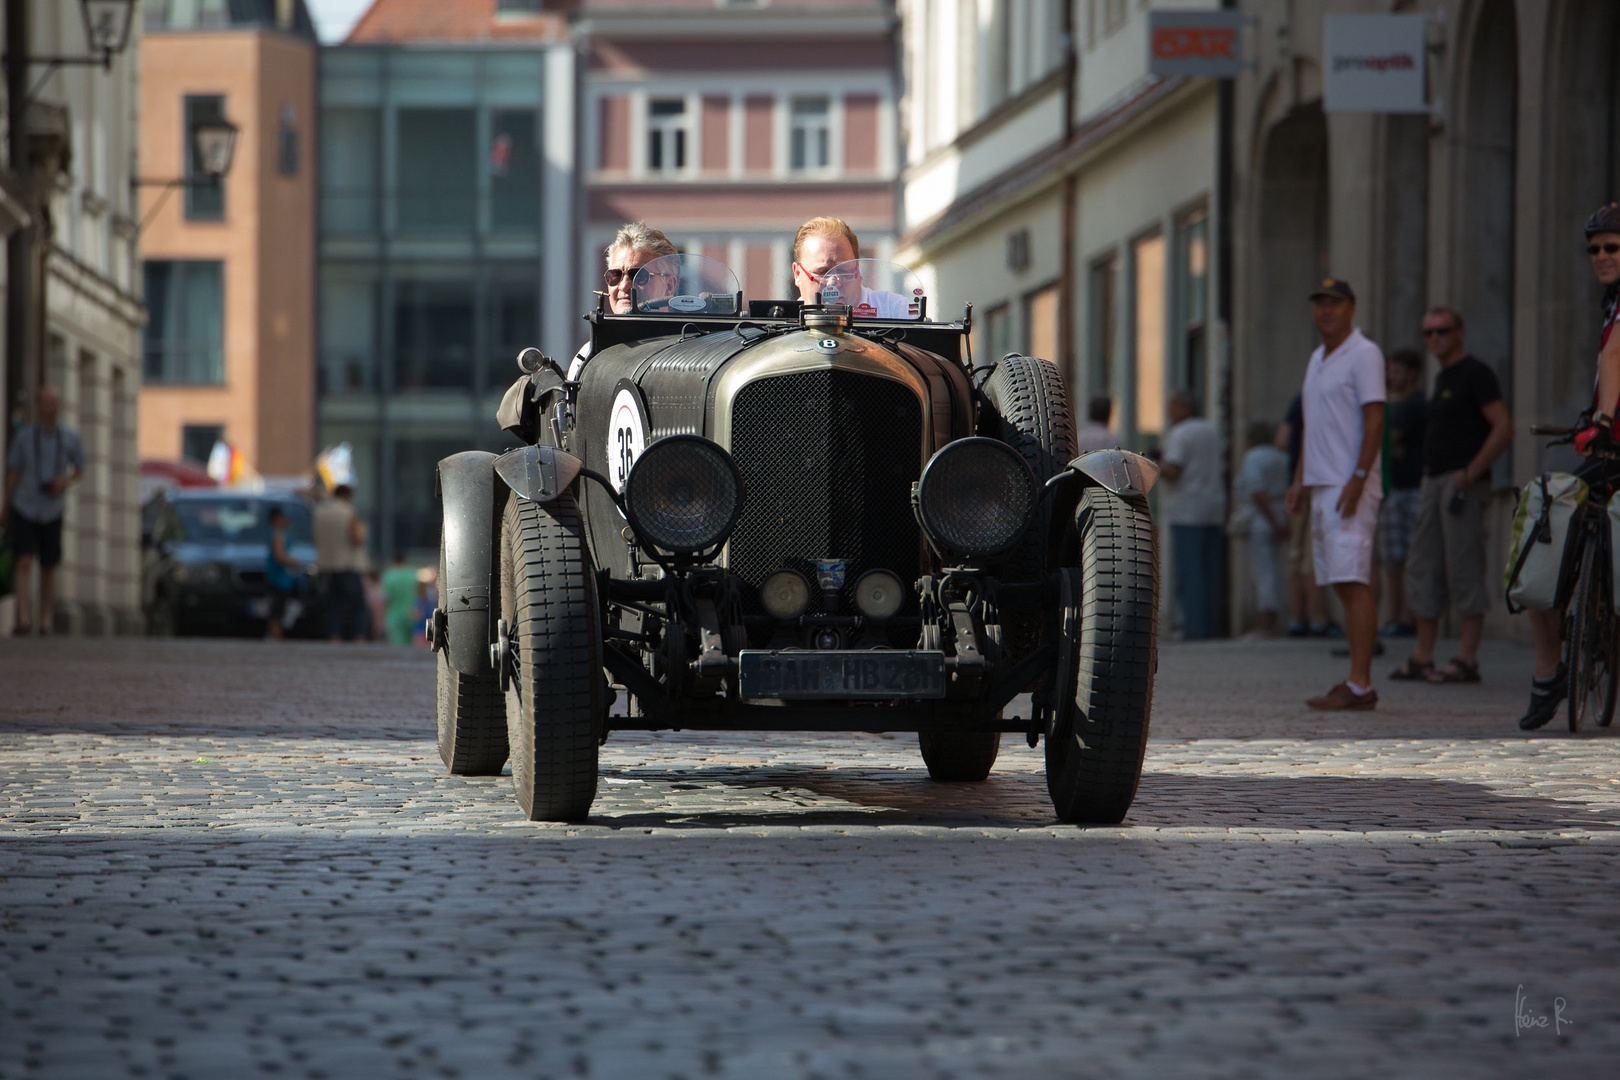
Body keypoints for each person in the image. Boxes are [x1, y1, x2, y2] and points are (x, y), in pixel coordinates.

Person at [1520, 203, 1620, 728]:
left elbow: (1614, 359)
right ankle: (1548, 669)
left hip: (1612, 440)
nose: (1601, 257)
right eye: (1595, 250)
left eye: (1612, 248)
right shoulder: (1611, 302)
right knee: (1545, 513)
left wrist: (1602, 419)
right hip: (1608, 449)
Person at [1388, 309, 1512, 685]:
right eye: (1428, 333)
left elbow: (1503, 426)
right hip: (1432, 481)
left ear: (1459, 332)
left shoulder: (1476, 373)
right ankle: (1422, 655)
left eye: (1442, 330)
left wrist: (1472, 472)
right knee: (1423, 565)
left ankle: (1466, 657)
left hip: (1462, 485)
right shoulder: (1441, 377)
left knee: (1463, 566)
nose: (1435, 338)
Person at [1284, 278, 1386, 710]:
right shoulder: (1317, 358)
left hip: (1350, 485)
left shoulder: (1365, 354)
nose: (1326, 311)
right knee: (1339, 584)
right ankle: (1355, 677)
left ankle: (1361, 683)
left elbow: (1376, 418)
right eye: (1320, 303)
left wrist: (1359, 476)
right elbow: (1312, 426)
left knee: (1353, 580)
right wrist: (1299, 481)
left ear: (1351, 307)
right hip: (1323, 484)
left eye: (1334, 303)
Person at [1, 387, 84, 636]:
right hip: (25, 505)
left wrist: (64, 482)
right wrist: (5, 506)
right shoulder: (25, 438)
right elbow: (13, 473)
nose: (52, 408)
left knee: (49, 564)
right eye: (47, 403)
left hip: (52, 508)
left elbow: (79, 469)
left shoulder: (69, 438)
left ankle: (45, 620)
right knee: (23, 559)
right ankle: (23, 617)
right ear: (38, 406)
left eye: (55, 403)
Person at [566, 222, 678, 379]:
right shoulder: (589, 354)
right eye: (615, 275)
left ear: (669, 286)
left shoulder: (689, 347)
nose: (624, 285)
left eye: (639, 276)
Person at [1160, 390, 1225, 639]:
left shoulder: (1181, 433)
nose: (1169, 412)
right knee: (1209, 573)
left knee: (1191, 573)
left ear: (1183, 408)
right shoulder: (1210, 429)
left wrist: (1155, 464)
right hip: (1212, 507)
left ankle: (1194, 628)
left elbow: (1174, 469)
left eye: (1172, 406)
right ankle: (1208, 627)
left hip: (1187, 509)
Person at [1378, 348, 1426, 638]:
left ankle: (1405, 618)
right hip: (1396, 486)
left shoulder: (1414, 404)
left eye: (1396, 370)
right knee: (1394, 558)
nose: (1390, 376)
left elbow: (1387, 440)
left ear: (1412, 372)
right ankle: (1395, 616)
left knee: (1407, 557)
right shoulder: (1396, 405)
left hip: (1410, 487)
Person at [1277, 392, 1332, 637]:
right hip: (1318, 481)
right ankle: (1319, 619)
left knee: (1296, 555)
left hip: (1296, 481)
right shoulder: (1324, 396)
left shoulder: (1299, 398)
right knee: (1312, 555)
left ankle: (1297, 620)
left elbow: (1282, 439)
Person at [1232, 420, 1291, 636]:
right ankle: (1273, 619)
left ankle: (1265, 622)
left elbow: (1257, 491)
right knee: (1275, 571)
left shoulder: (1253, 457)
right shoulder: (1281, 457)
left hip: (1261, 519)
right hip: (1280, 514)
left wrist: (1274, 522)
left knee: (1263, 573)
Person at [789, 216, 913, 317]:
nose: (833, 283)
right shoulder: (782, 322)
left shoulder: (893, 311)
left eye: (843, 270)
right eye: (822, 272)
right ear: (797, 274)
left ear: (857, 269)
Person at [313, 484, 368, 642]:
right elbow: (356, 539)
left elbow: (315, 538)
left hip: (326, 564)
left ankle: (334, 635)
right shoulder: (348, 511)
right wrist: (363, 532)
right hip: (347, 564)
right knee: (357, 604)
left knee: (332, 604)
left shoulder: (319, 512)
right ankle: (359, 636)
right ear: (347, 495)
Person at [264, 505, 305, 641]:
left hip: (283, 579)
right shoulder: (277, 535)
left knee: (280, 609)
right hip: (278, 579)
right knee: (277, 610)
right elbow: (279, 556)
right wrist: (294, 562)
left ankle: (276, 635)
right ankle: (275, 637)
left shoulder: (279, 534)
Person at [382, 552, 420, 646]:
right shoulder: (412, 574)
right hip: (411, 614)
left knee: (397, 647)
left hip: (394, 615)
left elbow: (385, 599)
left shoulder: (389, 576)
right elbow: (420, 594)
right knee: (411, 646)